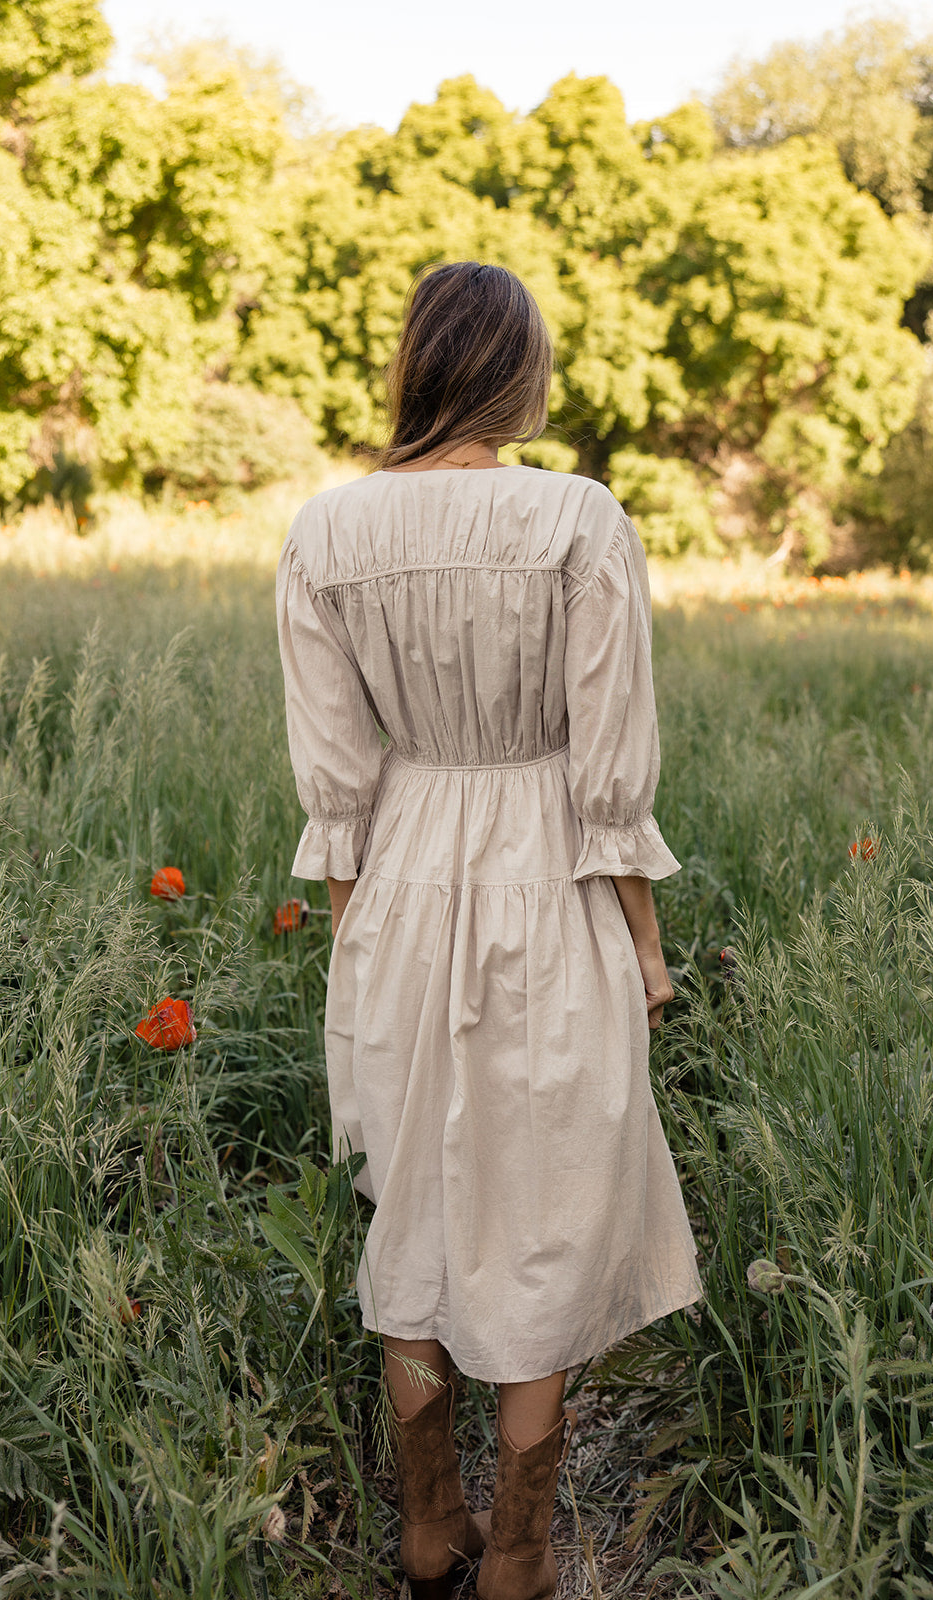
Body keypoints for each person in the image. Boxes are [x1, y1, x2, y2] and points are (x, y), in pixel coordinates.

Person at [276, 261, 703, 1600]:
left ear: (415, 364)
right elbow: (608, 777)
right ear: (521, 373)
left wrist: (357, 962)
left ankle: (428, 1525)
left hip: (398, 890)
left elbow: (336, 788)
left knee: (411, 1211)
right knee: (545, 1216)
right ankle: (520, 1554)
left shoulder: (323, 533)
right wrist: (646, 949)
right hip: (550, 883)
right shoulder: (580, 521)